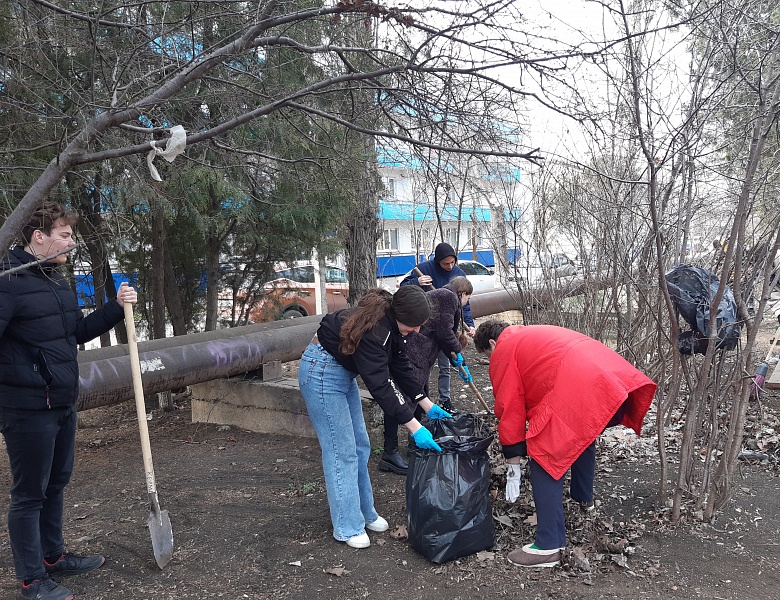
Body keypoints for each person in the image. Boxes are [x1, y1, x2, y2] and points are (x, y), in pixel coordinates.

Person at [0, 202, 138, 600]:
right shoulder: (8, 282)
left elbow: (76, 333)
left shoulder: (55, 280)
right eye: (65, 235)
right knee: (29, 493)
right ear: (38, 237)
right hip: (26, 406)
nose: (72, 242)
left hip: (61, 399)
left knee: (57, 482)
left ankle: (52, 557)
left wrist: (116, 307)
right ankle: (31, 581)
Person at [473, 319, 656, 568]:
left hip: (581, 388)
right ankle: (584, 500)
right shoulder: (532, 334)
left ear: (492, 343)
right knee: (581, 434)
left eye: (487, 355)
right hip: (614, 383)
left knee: (545, 453)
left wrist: (513, 462)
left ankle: (548, 545)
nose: (490, 361)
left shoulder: (504, 349)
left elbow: (509, 407)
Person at [298, 286, 450, 549]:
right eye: (414, 325)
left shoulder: (392, 325)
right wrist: (414, 427)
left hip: (340, 373)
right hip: (321, 373)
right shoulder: (375, 332)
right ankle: (347, 526)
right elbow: (381, 384)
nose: (416, 331)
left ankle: (364, 512)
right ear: (400, 314)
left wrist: (425, 403)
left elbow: (399, 364)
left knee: (360, 445)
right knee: (341, 451)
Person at [378, 277, 474, 475]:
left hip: (420, 354)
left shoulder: (444, 296)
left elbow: (442, 333)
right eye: (468, 298)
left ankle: (415, 439)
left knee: (419, 395)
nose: (467, 303)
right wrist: (458, 355)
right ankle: (390, 451)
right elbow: (444, 333)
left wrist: (457, 359)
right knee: (400, 398)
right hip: (413, 352)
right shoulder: (449, 297)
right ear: (462, 293)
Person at [400, 242, 476, 413]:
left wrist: (469, 324)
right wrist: (416, 281)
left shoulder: (459, 274)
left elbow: (464, 307)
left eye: (452, 263)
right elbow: (404, 292)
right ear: (437, 261)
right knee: (421, 371)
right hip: (426, 330)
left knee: (444, 367)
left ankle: (443, 400)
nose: (449, 266)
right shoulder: (424, 269)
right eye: (445, 263)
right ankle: (414, 413)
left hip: (445, 327)